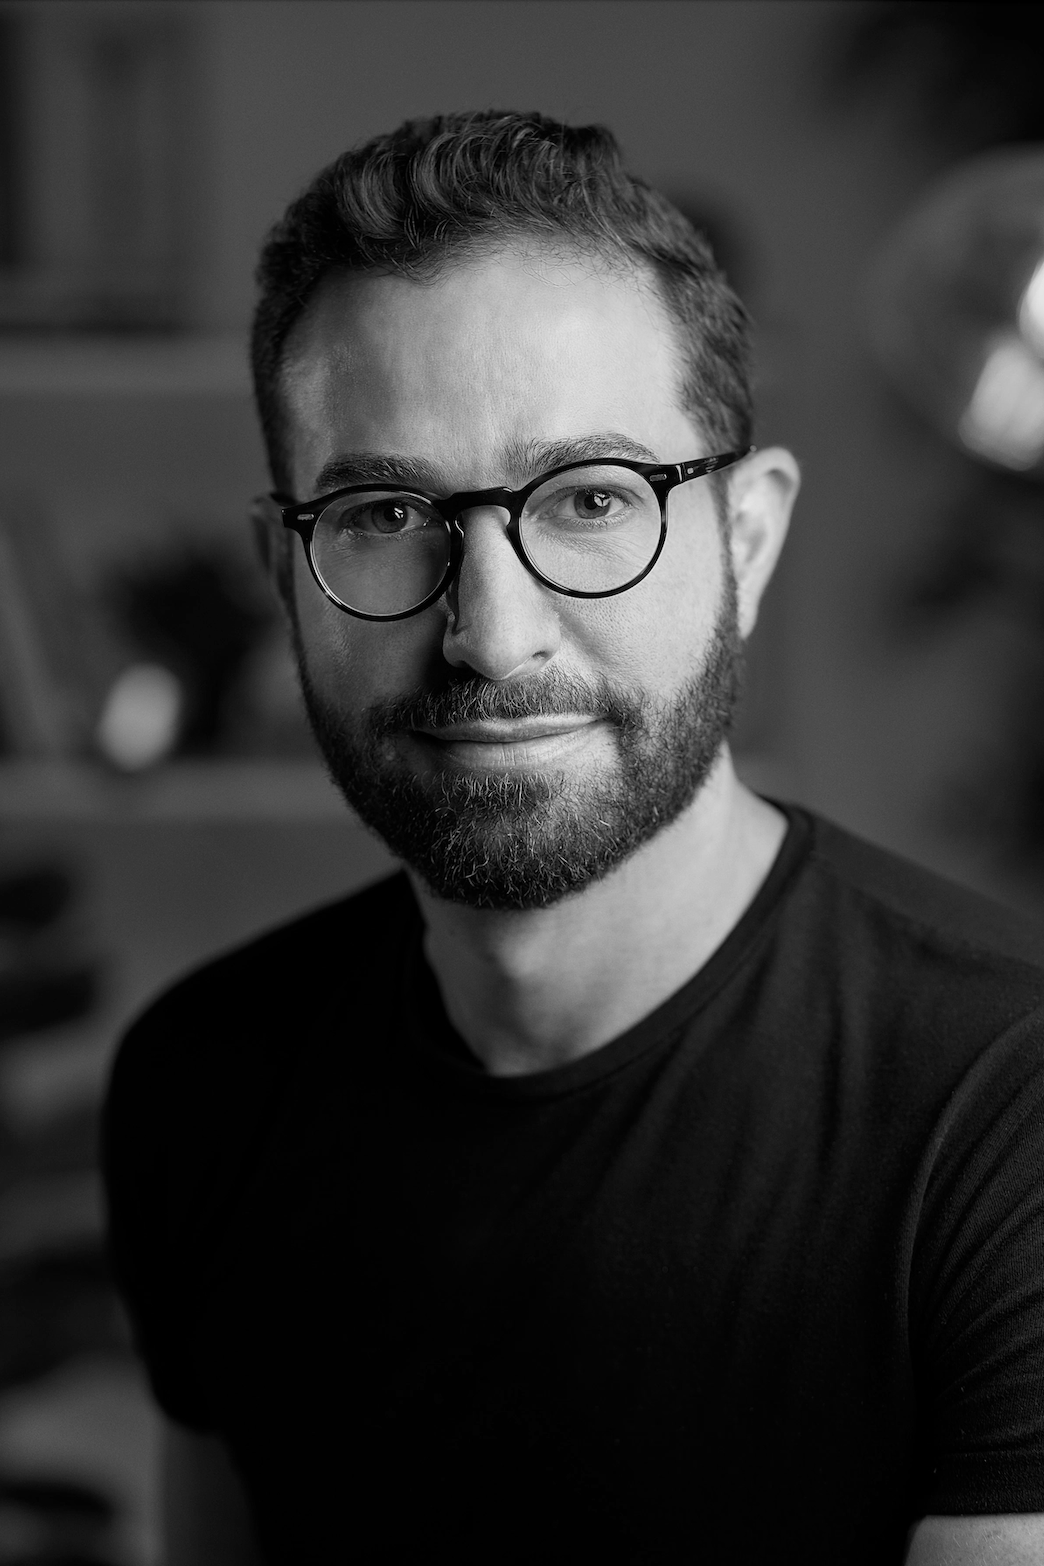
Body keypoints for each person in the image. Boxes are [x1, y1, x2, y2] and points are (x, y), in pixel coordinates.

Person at [102, 111, 1044, 1565]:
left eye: (593, 499)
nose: (490, 632)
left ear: (746, 540)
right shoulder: (200, 1085)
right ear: (284, 575)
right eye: (384, 512)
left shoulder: (1006, 1115)